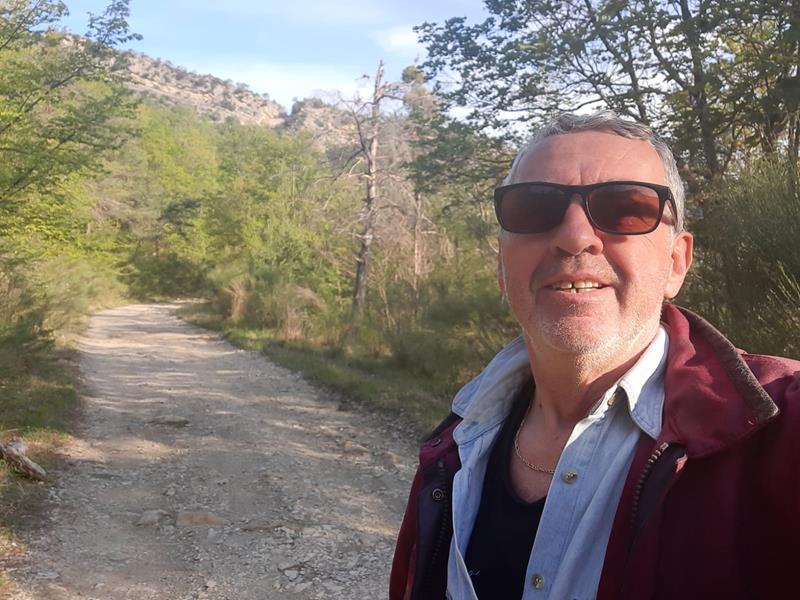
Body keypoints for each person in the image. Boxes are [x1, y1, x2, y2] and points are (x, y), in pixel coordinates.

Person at [389, 112, 800, 600]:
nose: (574, 236)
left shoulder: (779, 425)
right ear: (502, 266)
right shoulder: (458, 442)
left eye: (626, 207)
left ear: (676, 262)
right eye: (534, 207)